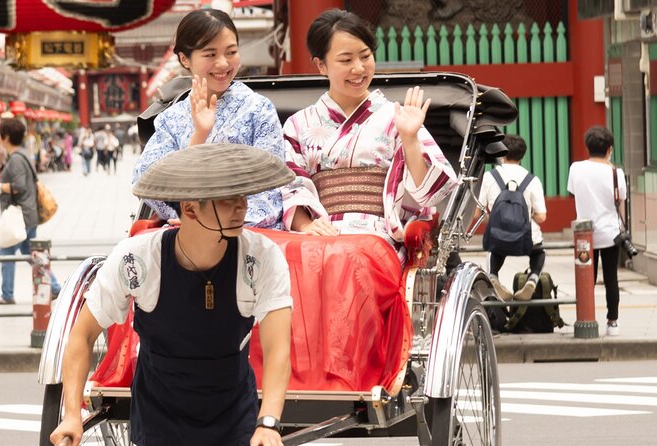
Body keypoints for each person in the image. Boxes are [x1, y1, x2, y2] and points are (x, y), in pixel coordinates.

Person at [49, 143, 295, 446]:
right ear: (189, 208)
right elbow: (82, 335)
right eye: (228, 199)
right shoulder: (137, 259)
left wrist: (269, 422)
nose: (242, 206)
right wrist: (72, 413)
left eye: (243, 196)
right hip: (158, 416)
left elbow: (277, 348)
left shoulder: (260, 257)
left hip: (232, 413)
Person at [280, 9, 457, 260]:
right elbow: (290, 186)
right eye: (346, 60)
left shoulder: (396, 118)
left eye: (365, 56)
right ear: (321, 65)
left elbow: (430, 193)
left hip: (379, 236)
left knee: (357, 257)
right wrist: (305, 225)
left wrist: (409, 139)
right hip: (322, 233)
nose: (359, 68)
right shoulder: (298, 125)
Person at [134, 8, 285, 229]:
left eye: (231, 52)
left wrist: (222, 221)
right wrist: (199, 135)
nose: (223, 64)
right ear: (185, 59)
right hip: (188, 229)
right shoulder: (171, 119)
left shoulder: (258, 110)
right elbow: (147, 181)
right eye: (210, 54)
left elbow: (272, 186)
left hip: (248, 229)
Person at [0, 118, 61, 304]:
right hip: (27, 214)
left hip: (19, 216)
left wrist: (0, 187)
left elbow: (19, 185)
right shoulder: (23, 154)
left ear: (5, 137)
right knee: (32, 253)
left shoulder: (15, 159)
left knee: (7, 252)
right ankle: (54, 287)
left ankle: (7, 294)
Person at [471, 134, 547, 301]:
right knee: (540, 252)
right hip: (527, 239)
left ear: (501, 153)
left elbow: (477, 213)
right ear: (523, 155)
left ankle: (493, 276)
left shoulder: (490, 177)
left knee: (494, 250)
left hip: (498, 236)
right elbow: (541, 217)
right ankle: (533, 279)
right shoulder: (532, 180)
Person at [567, 126, 625, 336]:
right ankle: (613, 322)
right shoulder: (615, 172)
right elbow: (620, 204)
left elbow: (573, 193)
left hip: (584, 234)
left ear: (588, 147)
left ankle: (585, 316)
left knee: (585, 277)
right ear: (609, 149)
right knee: (611, 278)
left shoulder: (576, 168)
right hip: (610, 233)